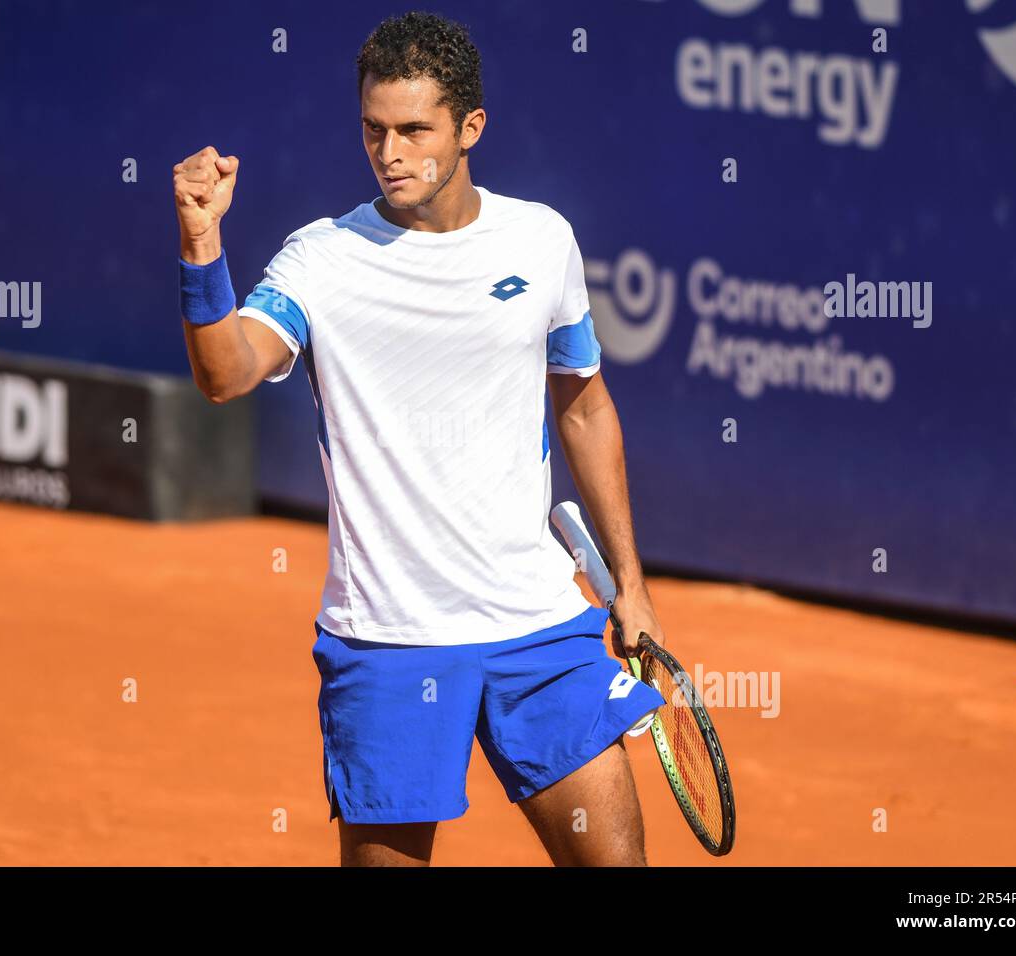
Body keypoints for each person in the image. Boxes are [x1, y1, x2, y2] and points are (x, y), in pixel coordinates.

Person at [172, 11, 666, 866]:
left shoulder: (541, 240)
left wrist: (630, 583)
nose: (389, 153)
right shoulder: (320, 259)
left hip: (539, 626)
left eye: (413, 130)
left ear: (471, 127)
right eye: (373, 130)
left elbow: (583, 406)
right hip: (388, 641)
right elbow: (225, 373)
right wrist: (201, 242)